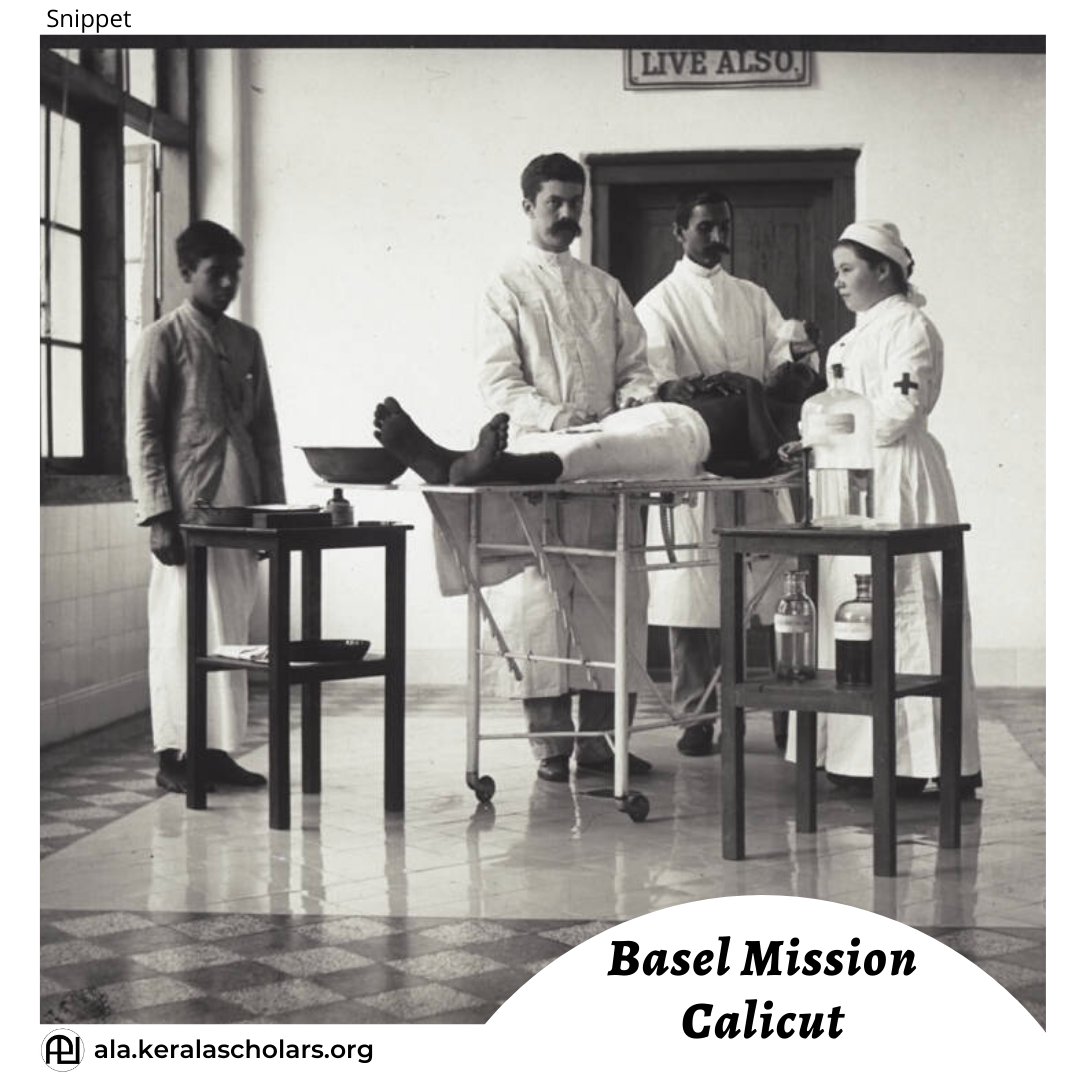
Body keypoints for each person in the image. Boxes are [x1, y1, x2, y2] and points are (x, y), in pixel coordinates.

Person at [474, 152, 660, 783]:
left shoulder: (603, 287)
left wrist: (633, 399)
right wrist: (556, 418)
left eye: (573, 203)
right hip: (542, 460)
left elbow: (637, 364)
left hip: (605, 462)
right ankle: (551, 745)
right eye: (553, 202)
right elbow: (499, 380)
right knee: (542, 603)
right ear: (527, 206)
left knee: (615, 596)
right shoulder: (506, 286)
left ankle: (604, 744)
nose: (565, 214)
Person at [787, 220, 981, 796]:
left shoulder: (912, 327)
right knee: (855, 607)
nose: (839, 282)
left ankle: (928, 762)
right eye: (836, 272)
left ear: (883, 269)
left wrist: (833, 427)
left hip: (901, 480)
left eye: (848, 270)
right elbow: (829, 414)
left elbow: (901, 412)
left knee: (911, 605)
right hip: (851, 481)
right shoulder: (847, 343)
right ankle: (859, 760)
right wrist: (818, 433)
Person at [634, 190, 819, 756]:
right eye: (706, 228)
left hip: (756, 452)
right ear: (679, 233)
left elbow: (780, 364)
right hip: (700, 456)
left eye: (723, 227)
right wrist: (685, 388)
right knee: (692, 591)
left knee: (770, 589)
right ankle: (698, 714)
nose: (717, 238)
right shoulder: (658, 304)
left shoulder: (751, 295)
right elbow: (657, 379)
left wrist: (796, 359)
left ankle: (786, 711)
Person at [127, 220, 286, 794]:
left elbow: (264, 428)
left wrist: (272, 512)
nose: (227, 283)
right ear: (186, 274)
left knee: (233, 626)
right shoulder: (162, 339)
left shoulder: (247, 341)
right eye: (215, 273)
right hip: (186, 511)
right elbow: (142, 431)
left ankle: (218, 750)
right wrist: (158, 516)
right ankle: (174, 752)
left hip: (240, 508)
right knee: (179, 630)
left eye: (233, 272)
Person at [374, 360, 824, 487]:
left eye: (801, 374)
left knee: (587, 457)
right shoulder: (748, 393)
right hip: (655, 415)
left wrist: (748, 388)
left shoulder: (785, 416)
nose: (790, 370)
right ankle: (447, 461)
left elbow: (766, 458)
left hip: (683, 442)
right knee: (564, 437)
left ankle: (485, 469)